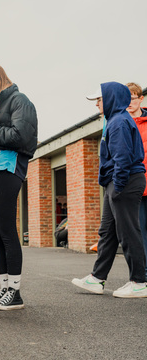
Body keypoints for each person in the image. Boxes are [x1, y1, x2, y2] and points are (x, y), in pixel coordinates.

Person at [72, 82, 147, 298]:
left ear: (111, 98)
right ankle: (97, 278)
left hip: (124, 182)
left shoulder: (119, 122)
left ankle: (139, 282)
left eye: (99, 99)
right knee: (107, 233)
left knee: (128, 232)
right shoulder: (113, 121)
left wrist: (118, 187)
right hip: (114, 183)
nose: (96, 103)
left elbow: (122, 159)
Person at [0, 62, 38, 310]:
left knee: (7, 229)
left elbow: (21, 137)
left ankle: (15, 292)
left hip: (10, 168)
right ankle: (4, 286)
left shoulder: (20, 100)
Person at [126, 82, 147, 280]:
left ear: (141, 98)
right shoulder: (121, 122)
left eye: (133, 97)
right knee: (139, 232)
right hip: (136, 187)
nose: (130, 102)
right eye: (127, 98)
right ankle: (143, 275)